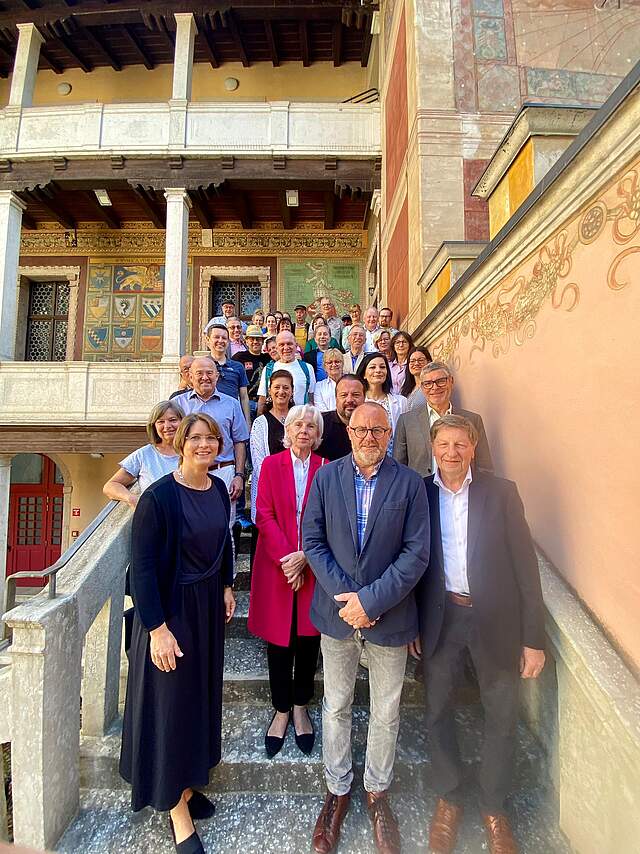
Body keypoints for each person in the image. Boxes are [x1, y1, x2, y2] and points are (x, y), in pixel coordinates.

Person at [409, 415, 545, 854]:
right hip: (441, 618)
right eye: (443, 444)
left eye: (460, 445)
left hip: (496, 620)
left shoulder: (501, 493)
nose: (451, 453)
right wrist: (412, 624)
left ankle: (493, 805)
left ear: (472, 447)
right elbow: (411, 563)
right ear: (433, 447)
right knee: (437, 709)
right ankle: (449, 798)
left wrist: (534, 638)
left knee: (502, 714)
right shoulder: (420, 495)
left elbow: (526, 566)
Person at [303, 402, 430, 854]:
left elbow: (416, 554)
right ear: (349, 431)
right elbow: (312, 542)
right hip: (338, 617)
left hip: (390, 617)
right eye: (361, 429)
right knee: (335, 705)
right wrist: (350, 602)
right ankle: (337, 790)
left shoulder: (410, 484)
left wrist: (371, 601)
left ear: (389, 431)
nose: (369, 436)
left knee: (386, 710)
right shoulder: (325, 477)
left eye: (378, 429)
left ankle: (377, 792)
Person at [119, 413, 236, 853]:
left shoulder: (220, 489)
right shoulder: (157, 497)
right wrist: (157, 629)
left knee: (197, 700)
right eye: (196, 438)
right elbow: (143, 568)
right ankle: (174, 806)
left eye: (211, 438)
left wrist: (226, 585)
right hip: (170, 613)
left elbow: (224, 541)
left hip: (206, 609)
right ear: (181, 441)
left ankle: (187, 783)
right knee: (169, 704)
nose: (204, 445)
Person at [248, 405, 327, 757]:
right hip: (276, 565)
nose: (304, 430)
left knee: (308, 642)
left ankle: (300, 707)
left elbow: (328, 518)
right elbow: (262, 514)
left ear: (318, 434)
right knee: (279, 643)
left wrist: (306, 556)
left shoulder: (326, 468)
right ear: (288, 430)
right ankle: (281, 710)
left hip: (314, 565)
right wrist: (288, 559)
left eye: (311, 426)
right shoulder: (270, 465)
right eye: (298, 424)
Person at [174, 356, 249, 524]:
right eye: (199, 373)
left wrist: (239, 475)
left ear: (217, 376)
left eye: (209, 373)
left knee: (224, 526)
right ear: (190, 377)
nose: (205, 377)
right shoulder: (177, 405)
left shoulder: (232, 404)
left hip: (223, 472)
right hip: (188, 473)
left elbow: (239, 442)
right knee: (189, 524)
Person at [393, 361, 493, 477]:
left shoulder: (473, 420)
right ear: (422, 387)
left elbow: (485, 467)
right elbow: (399, 469)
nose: (434, 388)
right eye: (428, 383)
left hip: (463, 493)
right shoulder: (406, 422)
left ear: (451, 381)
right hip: (422, 493)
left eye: (440, 381)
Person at [103, 401, 184, 506]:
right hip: (155, 518)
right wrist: (132, 499)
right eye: (160, 422)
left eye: (173, 420)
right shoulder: (143, 455)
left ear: (183, 422)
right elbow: (111, 486)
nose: (167, 426)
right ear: (154, 426)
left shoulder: (194, 451)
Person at [249, 370, 295, 523]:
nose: (281, 391)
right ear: (269, 390)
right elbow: (258, 462)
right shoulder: (260, 423)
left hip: (295, 490)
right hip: (268, 490)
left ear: (292, 391)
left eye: (286, 387)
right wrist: (277, 486)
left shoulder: (299, 420)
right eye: (277, 387)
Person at [356, 352, 408, 452]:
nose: (378, 370)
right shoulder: (358, 403)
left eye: (382, 367)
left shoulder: (401, 402)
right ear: (364, 374)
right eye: (372, 367)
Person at [257, 331, 316, 413]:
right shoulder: (268, 370)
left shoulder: (307, 368)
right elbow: (262, 399)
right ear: (277, 348)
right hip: (275, 421)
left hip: (300, 420)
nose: (286, 348)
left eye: (289, 344)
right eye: (281, 345)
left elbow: (311, 398)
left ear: (296, 346)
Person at [204, 324, 250, 426]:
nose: (220, 341)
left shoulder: (238, 367)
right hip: (206, 420)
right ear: (208, 340)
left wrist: (247, 422)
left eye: (224, 338)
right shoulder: (201, 365)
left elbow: (244, 397)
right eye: (216, 337)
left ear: (228, 342)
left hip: (231, 419)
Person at [316, 374, 366, 461]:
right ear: (336, 398)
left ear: (364, 398)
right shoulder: (320, 424)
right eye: (344, 395)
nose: (350, 400)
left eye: (355, 395)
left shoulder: (372, 425)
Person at [232, 325, 270, 421]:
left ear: (262, 341)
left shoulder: (268, 358)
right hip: (247, 402)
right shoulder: (239, 357)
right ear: (246, 341)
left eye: (258, 339)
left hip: (265, 403)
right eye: (252, 339)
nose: (255, 342)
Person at [388, 331, 414, 396]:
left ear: (409, 345)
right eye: (397, 342)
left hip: (408, 400)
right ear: (393, 346)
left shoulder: (413, 364)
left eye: (404, 342)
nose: (401, 345)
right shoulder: (388, 365)